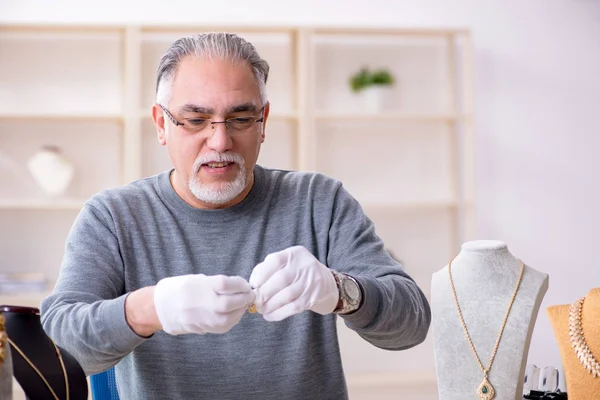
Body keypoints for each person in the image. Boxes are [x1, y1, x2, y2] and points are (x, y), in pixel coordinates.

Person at [40, 32, 431, 399]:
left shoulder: (319, 201)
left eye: (240, 119)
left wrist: (340, 291)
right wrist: (151, 308)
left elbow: (412, 325)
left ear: (263, 122)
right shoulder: (113, 216)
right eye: (196, 120)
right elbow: (59, 345)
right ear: (162, 124)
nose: (220, 141)